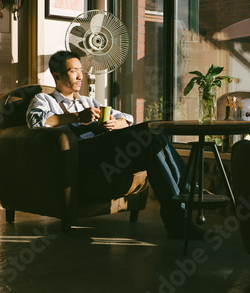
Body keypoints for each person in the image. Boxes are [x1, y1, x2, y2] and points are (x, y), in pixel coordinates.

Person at [26, 50, 204, 239]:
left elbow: (127, 118)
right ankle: (192, 190)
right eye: (73, 71)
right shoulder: (44, 99)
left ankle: (178, 221)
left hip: (105, 151)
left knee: (154, 137)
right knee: (150, 132)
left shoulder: (88, 101)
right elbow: (35, 121)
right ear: (57, 75)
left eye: (81, 70)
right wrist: (78, 116)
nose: (80, 76)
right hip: (81, 154)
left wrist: (113, 123)